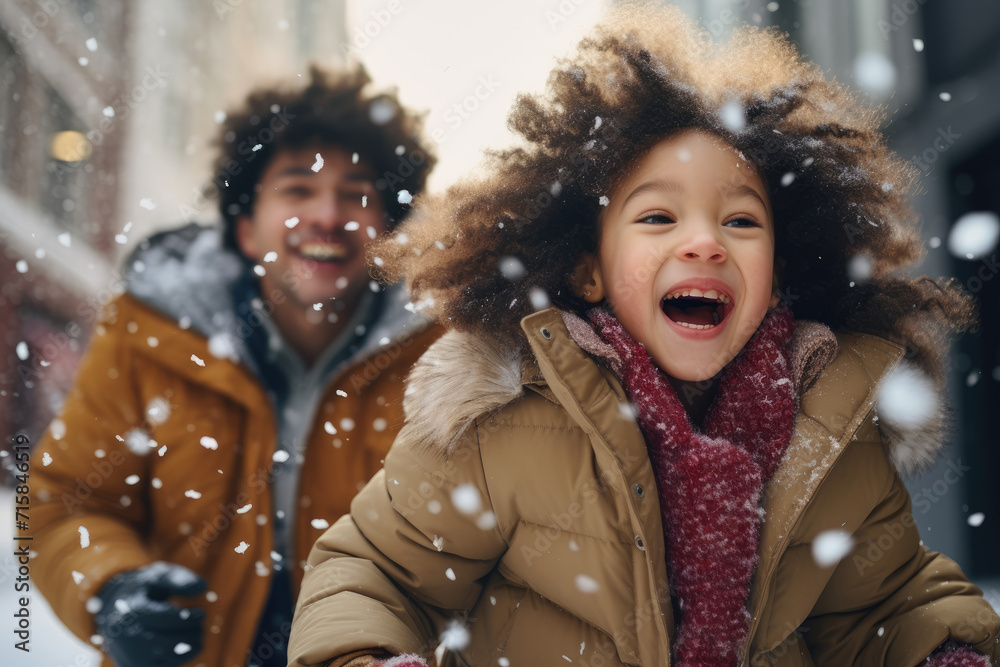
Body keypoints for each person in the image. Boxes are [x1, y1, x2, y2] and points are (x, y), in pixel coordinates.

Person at [287, 6, 1000, 667]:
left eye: (741, 222)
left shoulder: (827, 425)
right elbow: (375, 572)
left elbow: (888, 602)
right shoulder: (504, 417)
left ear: (778, 275)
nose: (705, 243)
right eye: (658, 218)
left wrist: (942, 652)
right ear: (588, 270)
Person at [29, 65, 440, 667]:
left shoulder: (445, 354)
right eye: (297, 189)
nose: (327, 215)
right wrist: (109, 588)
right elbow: (60, 500)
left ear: (386, 229)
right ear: (246, 230)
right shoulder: (147, 334)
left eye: (356, 194)